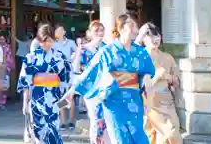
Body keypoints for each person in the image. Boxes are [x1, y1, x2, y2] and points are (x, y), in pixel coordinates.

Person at [62, 14, 156, 144]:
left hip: (134, 102)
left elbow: (149, 70)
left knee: (140, 139)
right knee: (120, 139)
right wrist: (72, 91)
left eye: (136, 26)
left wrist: (146, 75)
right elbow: (90, 72)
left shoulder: (140, 52)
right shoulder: (107, 51)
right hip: (113, 102)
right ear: (121, 28)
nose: (135, 29)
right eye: (131, 25)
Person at [18, 24, 71, 144]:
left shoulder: (60, 57)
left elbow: (65, 81)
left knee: (54, 131)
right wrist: (25, 103)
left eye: (50, 40)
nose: (46, 44)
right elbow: (25, 82)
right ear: (38, 40)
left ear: (54, 39)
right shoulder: (30, 58)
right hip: (36, 101)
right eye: (43, 41)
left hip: (54, 101)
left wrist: (63, 102)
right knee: (38, 132)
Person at [141, 23, 182, 144]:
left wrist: (167, 76)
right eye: (150, 36)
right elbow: (140, 83)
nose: (155, 39)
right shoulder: (140, 57)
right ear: (143, 39)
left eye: (157, 35)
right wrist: (158, 76)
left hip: (167, 102)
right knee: (153, 136)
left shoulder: (167, 57)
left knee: (172, 133)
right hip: (149, 102)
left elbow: (177, 81)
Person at [71, 20, 109, 144]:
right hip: (91, 89)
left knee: (106, 119)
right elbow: (76, 69)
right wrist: (78, 51)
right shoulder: (84, 48)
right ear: (90, 33)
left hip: (105, 88)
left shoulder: (107, 48)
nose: (100, 32)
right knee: (96, 119)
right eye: (97, 30)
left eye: (102, 30)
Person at [54, 24, 77, 130]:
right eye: (57, 31)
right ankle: (63, 121)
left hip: (70, 73)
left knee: (70, 97)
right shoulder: (54, 44)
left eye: (61, 30)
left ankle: (71, 121)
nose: (60, 32)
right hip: (58, 73)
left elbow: (78, 54)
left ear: (64, 32)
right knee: (60, 97)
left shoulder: (71, 43)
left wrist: (72, 59)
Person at [0, 33, 14, 110]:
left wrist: (7, 67)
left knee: (4, 87)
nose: (1, 41)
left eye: (3, 39)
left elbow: (9, 59)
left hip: (4, 68)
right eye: (0, 39)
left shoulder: (7, 48)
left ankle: (2, 102)